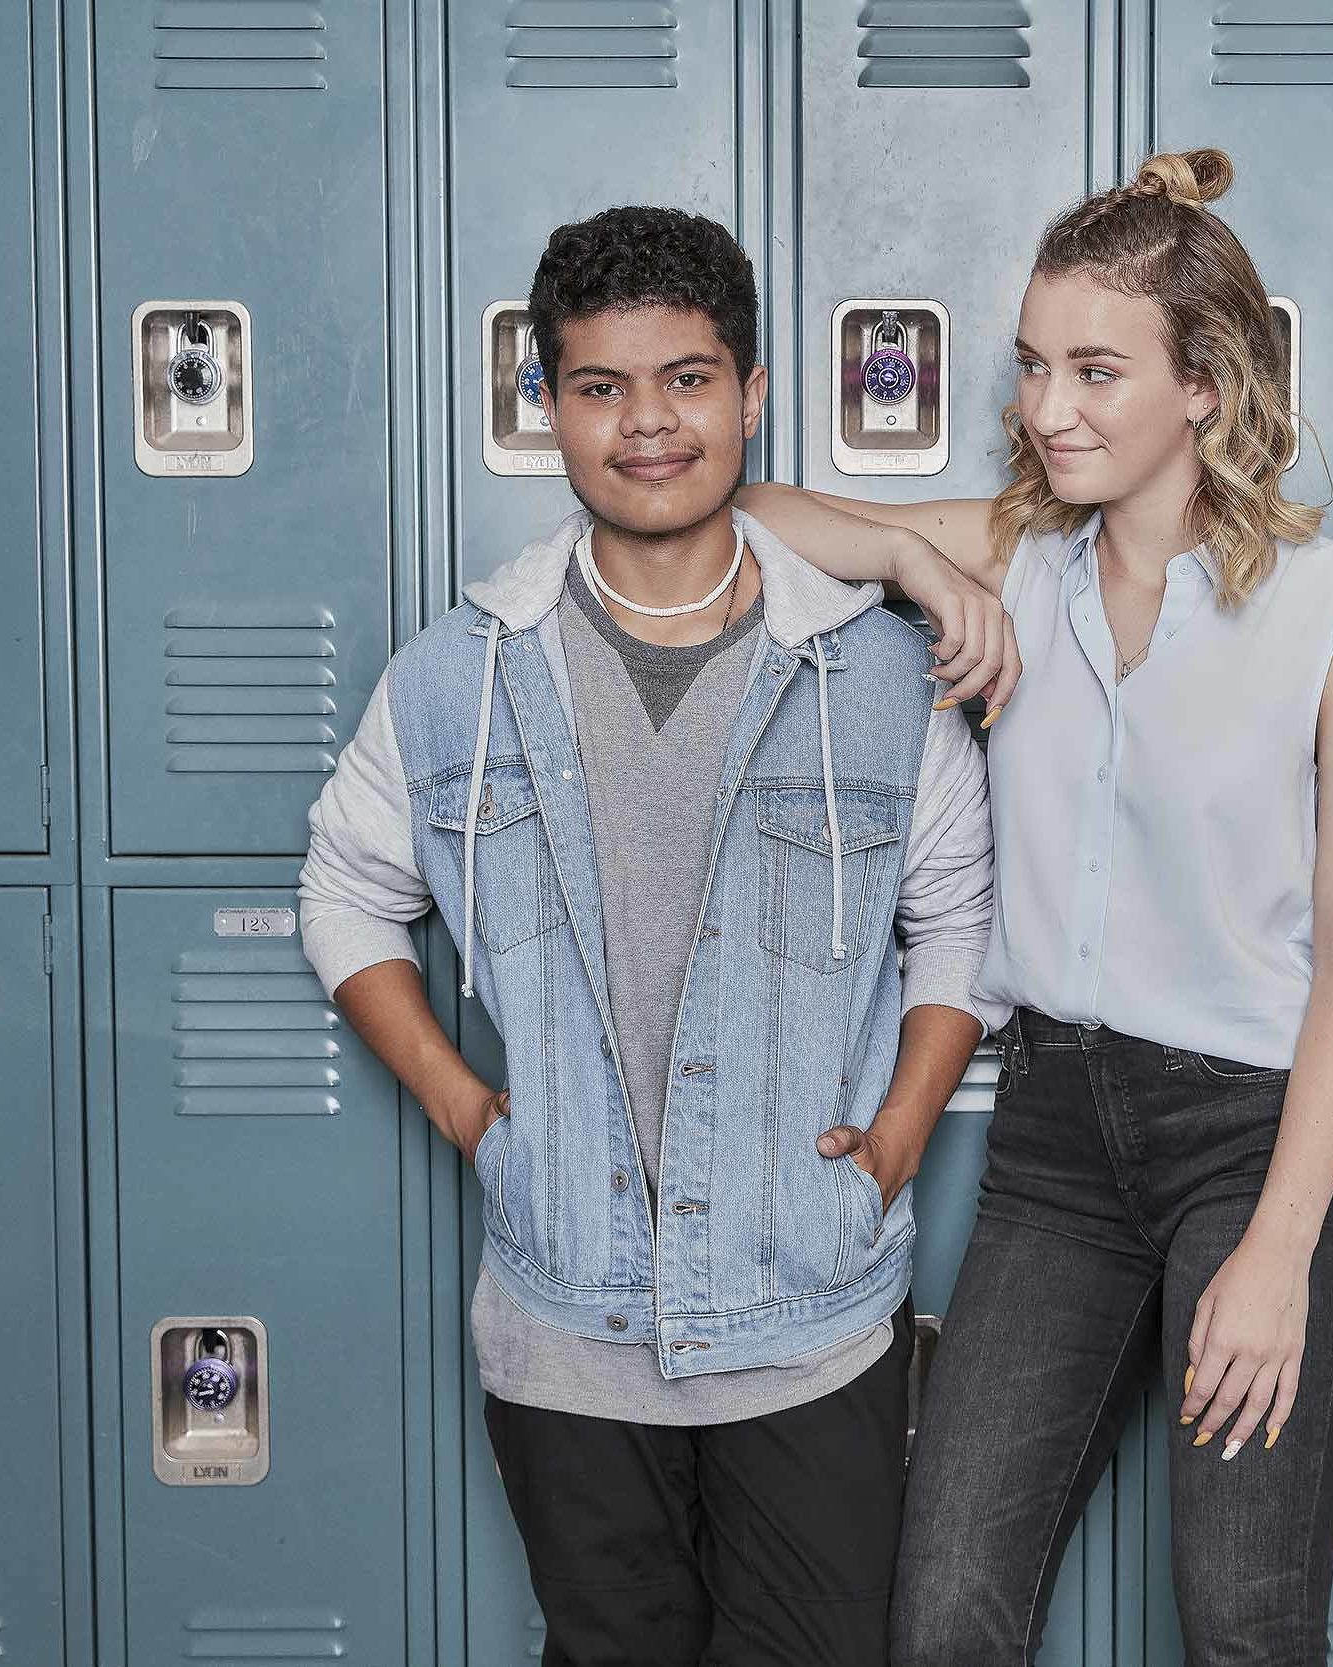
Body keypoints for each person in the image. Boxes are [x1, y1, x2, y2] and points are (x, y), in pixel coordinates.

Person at [296, 204, 1006, 1667]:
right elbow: (344, 890)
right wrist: (467, 1108)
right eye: (600, 387)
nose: (647, 426)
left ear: (753, 396)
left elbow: (959, 924)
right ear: (547, 406)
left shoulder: (876, 675)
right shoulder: (455, 679)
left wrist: (899, 1139)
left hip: (809, 1313)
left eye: (687, 379)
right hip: (567, 1322)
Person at [736, 148, 1333, 1665]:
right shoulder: (1023, 562)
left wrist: (1281, 1250)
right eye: (1036, 365)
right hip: (1057, 1141)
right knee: (948, 1614)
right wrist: (917, 551)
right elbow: (758, 516)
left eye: (1098, 369)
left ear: (1209, 392)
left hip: (1257, 1145)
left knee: (1242, 1620)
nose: (1048, 408)